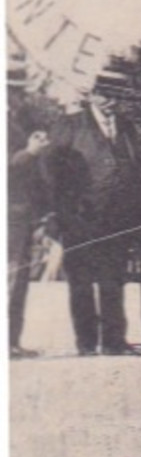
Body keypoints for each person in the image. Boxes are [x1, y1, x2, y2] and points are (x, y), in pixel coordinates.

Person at [51, 69, 141, 356]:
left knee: (114, 281)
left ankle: (113, 341)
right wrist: (63, 215)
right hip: (79, 218)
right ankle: (86, 343)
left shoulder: (127, 127)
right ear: (93, 95)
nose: (111, 102)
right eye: (106, 95)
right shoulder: (70, 125)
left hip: (118, 218)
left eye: (118, 97)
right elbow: (53, 174)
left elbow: (138, 171)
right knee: (81, 283)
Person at [9, 123, 54, 358]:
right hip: (10, 221)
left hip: (22, 221)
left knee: (19, 282)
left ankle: (11, 341)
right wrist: (29, 153)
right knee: (11, 279)